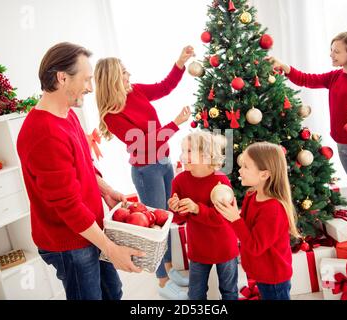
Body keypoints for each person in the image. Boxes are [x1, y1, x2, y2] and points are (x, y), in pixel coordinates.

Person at [17, 42, 144, 300]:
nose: (90, 87)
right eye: (86, 80)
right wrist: (111, 248)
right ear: (62, 78)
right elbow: (67, 205)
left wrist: (104, 188)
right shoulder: (44, 134)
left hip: (89, 231)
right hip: (70, 243)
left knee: (113, 292)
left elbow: (82, 163)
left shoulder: (66, 113)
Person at [266, 31, 347, 244]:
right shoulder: (336, 76)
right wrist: (285, 67)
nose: (332, 55)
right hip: (343, 144)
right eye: (332, 50)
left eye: (337, 51)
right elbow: (307, 80)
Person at [94, 46, 194, 299]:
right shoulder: (112, 115)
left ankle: (170, 269)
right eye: (124, 72)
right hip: (146, 170)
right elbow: (143, 144)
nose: (129, 75)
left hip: (163, 162)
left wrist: (180, 62)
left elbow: (164, 87)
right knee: (155, 227)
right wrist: (175, 124)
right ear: (114, 78)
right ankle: (162, 281)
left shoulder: (136, 90)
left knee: (168, 218)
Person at [215, 142, 300, 300]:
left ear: (264, 174)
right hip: (261, 272)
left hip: (274, 278)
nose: (240, 170)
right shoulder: (251, 195)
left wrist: (235, 218)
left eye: (246, 166)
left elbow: (255, 246)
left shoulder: (273, 209)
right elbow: (243, 228)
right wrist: (226, 213)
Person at [168, 131, 239, 300]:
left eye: (189, 151)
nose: (183, 156)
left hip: (225, 247)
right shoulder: (178, 181)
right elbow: (178, 219)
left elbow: (223, 218)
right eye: (183, 151)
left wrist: (196, 208)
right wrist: (175, 208)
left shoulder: (221, 180)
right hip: (198, 249)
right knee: (196, 294)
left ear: (207, 154)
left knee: (229, 292)